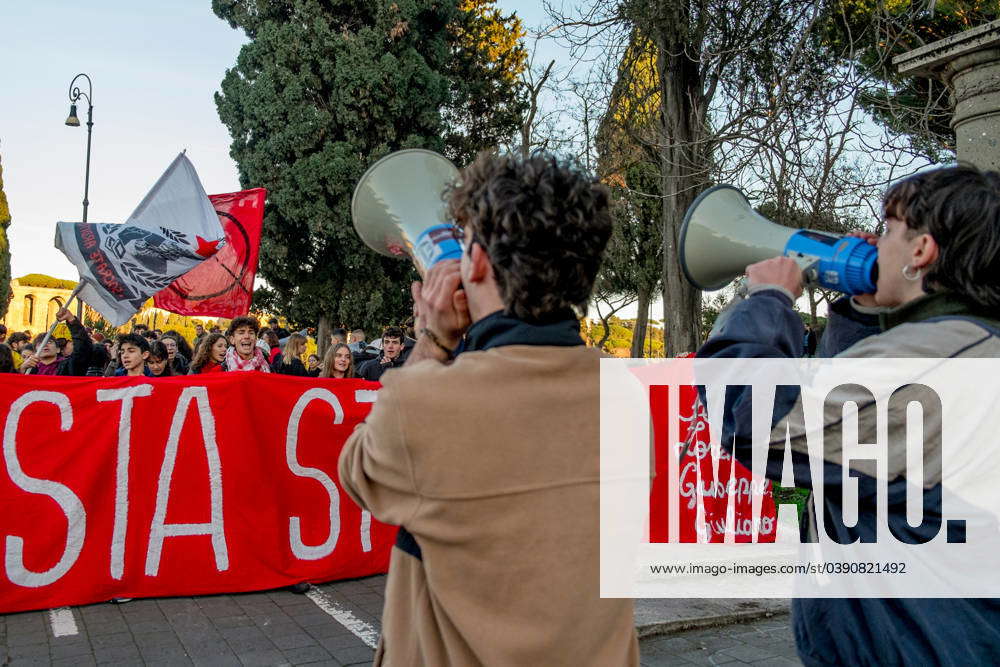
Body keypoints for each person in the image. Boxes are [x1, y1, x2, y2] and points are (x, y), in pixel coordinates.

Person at [338, 152, 638, 664]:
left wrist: (432, 339)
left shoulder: (424, 401)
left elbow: (358, 474)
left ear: (475, 262)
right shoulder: (626, 395)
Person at [698, 165, 1000, 665]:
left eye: (888, 231)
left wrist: (769, 302)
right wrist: (862, 312)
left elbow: (758, 423)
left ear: (921, 251)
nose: (876, 244)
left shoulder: (933, 361)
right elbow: (852, 433)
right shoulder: (963, 345)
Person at [20, 308, 92, 376]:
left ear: (58, 349)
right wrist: (22, 370)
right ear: (35, 351)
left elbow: (83, 349)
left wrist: (71, 320)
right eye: (40, 343)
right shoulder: (30, 370)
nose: (45, 344)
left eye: (49, 342)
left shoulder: (69, 366)